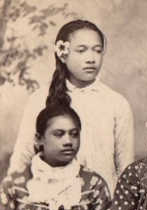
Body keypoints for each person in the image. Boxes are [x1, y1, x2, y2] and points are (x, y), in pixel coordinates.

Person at [8, 19, 134, 193]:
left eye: (97, 51)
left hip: (102, 206)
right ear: (63, 54)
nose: (91, 59)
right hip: (50, 202)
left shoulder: (116, 103)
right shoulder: (39, 99)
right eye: (81, 51)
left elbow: (126, 168)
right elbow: (22, 157)